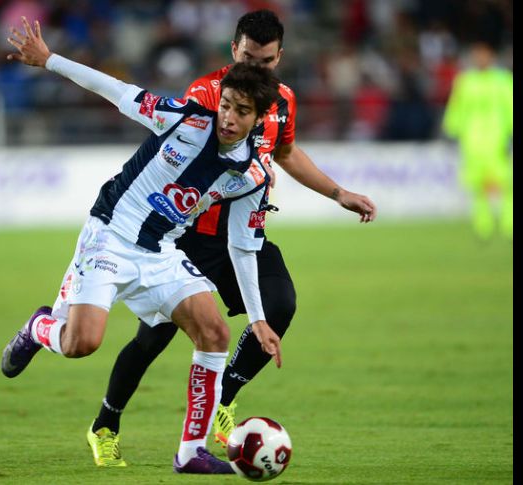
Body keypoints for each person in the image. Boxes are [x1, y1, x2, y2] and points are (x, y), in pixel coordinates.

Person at [86, 9, 377, 467]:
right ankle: (106, 423)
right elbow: (189, 158)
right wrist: (243, 174)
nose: (254, 69)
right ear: (232, 50)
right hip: (193, 237)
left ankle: (223, 401)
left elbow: (286, 152)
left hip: (246, 233)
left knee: (280, 306)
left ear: (278, 57)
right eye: (247, 58)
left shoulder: (282, 101)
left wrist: (337, 192)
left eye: (264, 62)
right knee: (154, 336)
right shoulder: (207, 93)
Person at [0, 16, 284, 475]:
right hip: (110, 234)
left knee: (215, 333)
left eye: (242, 111)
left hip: (160, 252)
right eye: (227, 105)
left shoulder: (250, 177)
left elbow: (243, 247)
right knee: (81, 344)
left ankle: (191, 452)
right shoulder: (185, 120)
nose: (229, 118)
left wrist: (259, 319)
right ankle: (39, 328)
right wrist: (49, 59)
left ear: (259, 118)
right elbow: (115, 89)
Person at [443, 40, 513, 241]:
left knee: (506, 183)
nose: (480, 58)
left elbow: (510, 106)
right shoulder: (466, 81)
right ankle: (483, 225)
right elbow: (457, 106)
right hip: (472, 141)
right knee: (477, 186)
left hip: (497, 139)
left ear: (491, 56)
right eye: (477, 54)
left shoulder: (503, 80)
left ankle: (509, 223)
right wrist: (450, 129)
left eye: (484, 54)